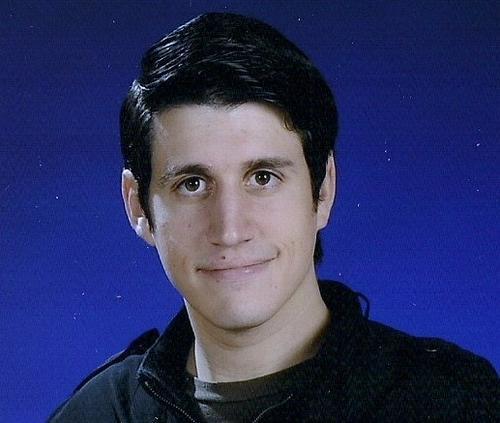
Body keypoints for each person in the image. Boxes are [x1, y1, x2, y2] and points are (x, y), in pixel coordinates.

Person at [49, 12, 498, 422]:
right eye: (192, 184)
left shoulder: (453, 404)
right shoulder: (94, 415)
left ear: (323, 190)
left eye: (262, 178)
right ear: (138, 207)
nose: (230, 230)